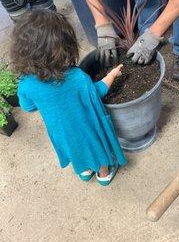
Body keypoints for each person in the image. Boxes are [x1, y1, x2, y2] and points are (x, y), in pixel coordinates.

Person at [10, 10, 126, 186]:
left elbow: (28, 107)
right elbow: (97, 92)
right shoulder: (78, 77)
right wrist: (111, 75)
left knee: (73, 150)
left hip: (60, 132)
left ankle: (85, 172)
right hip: (87, 130)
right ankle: (103, 175)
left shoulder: (26, 85)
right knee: (95, 149)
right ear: (66, 46)